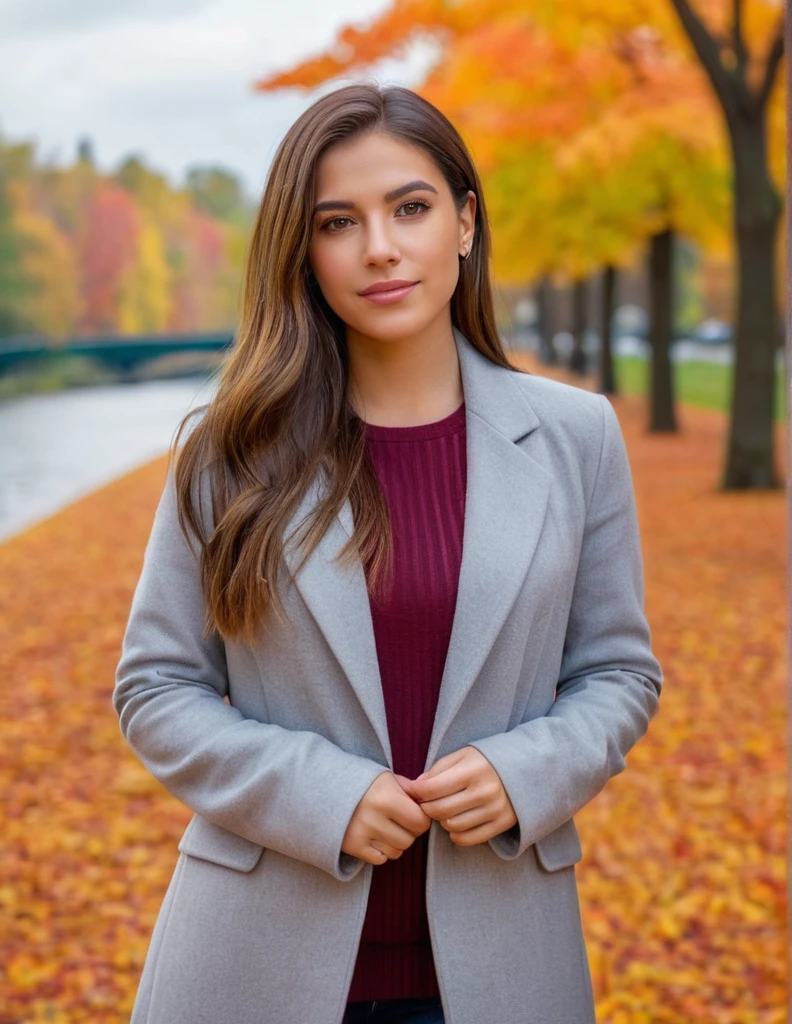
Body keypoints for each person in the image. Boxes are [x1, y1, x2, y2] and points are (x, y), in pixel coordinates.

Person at [113, 82, 663, 1024]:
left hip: (501, 969)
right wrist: (319, 794)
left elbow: (618, 671)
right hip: (253, 967)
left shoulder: (578, 437)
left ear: (463, 222)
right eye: (338, 221)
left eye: (409, 207)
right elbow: (156, 690)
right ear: (304, 249)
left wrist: (526, 771)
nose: (379, 247)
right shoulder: (230, 450)